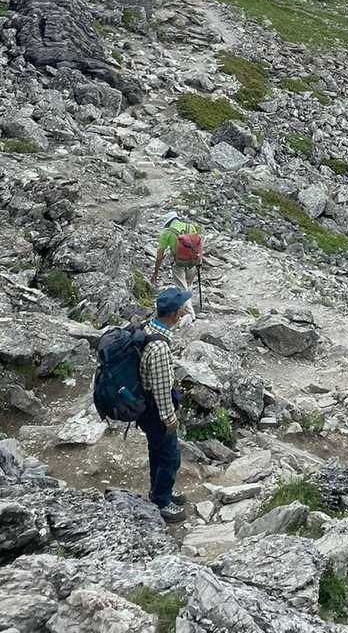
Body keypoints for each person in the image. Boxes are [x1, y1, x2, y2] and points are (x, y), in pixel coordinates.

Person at [139, 286, 191, 523]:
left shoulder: (148, 328)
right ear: (174, 313)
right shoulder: (159, 347)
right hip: (156, 410)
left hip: (146, 406)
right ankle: (161, 502)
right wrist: (169, 418)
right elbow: (161, 389)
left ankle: (159, 489)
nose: (184, 310)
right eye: (181, 307)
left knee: (156, 450)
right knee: (170, 456)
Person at [151, 212, 201, 323]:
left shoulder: (166, 233)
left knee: (182, 289)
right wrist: (199, 262)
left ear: (167, 222)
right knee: (188, 286)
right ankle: (183, 310)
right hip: (192, 262)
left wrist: (156, 272)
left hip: (178, 264)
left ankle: (190, 315)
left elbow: (160, 255)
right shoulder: (190, 227)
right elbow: (197, 245)